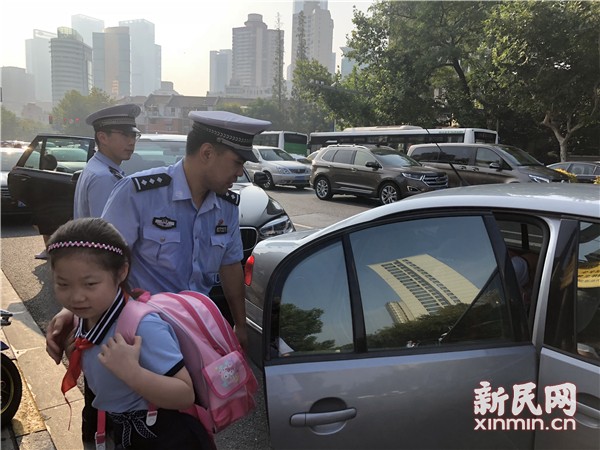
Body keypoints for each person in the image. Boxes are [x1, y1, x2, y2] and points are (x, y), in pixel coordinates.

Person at [46, 110, 270, 362]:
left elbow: (230, 266)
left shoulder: (226, 206)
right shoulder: (138, 193)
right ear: (207, 153)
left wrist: (240, 325)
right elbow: (98, 262)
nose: (240, 173)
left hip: (196, 332)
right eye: (237, 163)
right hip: (136, 337)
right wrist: (73, 310)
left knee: (198, 398)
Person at [47, 217, 215, 449]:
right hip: (116, 427)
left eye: (90, 284)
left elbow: (184, 394)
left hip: (161, 436)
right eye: (63, 284)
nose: (76, 297)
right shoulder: (84, 316)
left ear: (121, 272)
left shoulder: (143, 327)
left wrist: (132, 373)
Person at [74, 104, 142, 219]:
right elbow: (107, 230)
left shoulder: (97, 167)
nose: (131, 142)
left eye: (134, 136)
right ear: (103, 138)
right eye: (125, 135)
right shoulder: (104, 177)